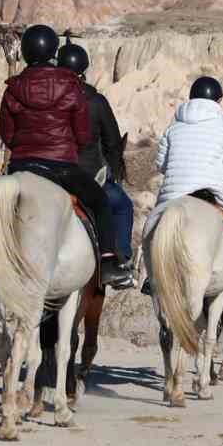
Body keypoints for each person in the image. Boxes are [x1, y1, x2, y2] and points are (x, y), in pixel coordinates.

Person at [0, 23, 133, 290]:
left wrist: (25, 149)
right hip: (60, 166)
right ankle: (108, 262)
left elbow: (7, 134)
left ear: (25, 52)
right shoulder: (71, 87)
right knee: (100, 202)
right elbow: (82, 135)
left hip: (22, 166)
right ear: (52, 51)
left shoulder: (12, 88)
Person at [148, 76, 223, 299]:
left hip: (174, 191)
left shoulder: (173, 128)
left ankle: (150, 275)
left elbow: (161, 165)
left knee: (153, 225)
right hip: (212, 188)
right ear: (218, 100)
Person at [61, 35, 136, 271]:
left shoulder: (50, 97)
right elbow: (113, 142)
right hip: (86, 175)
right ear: (84, 68)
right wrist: (114, 170)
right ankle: (119, 259)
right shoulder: (96, 101)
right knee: (122, 206)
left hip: (48, 171)